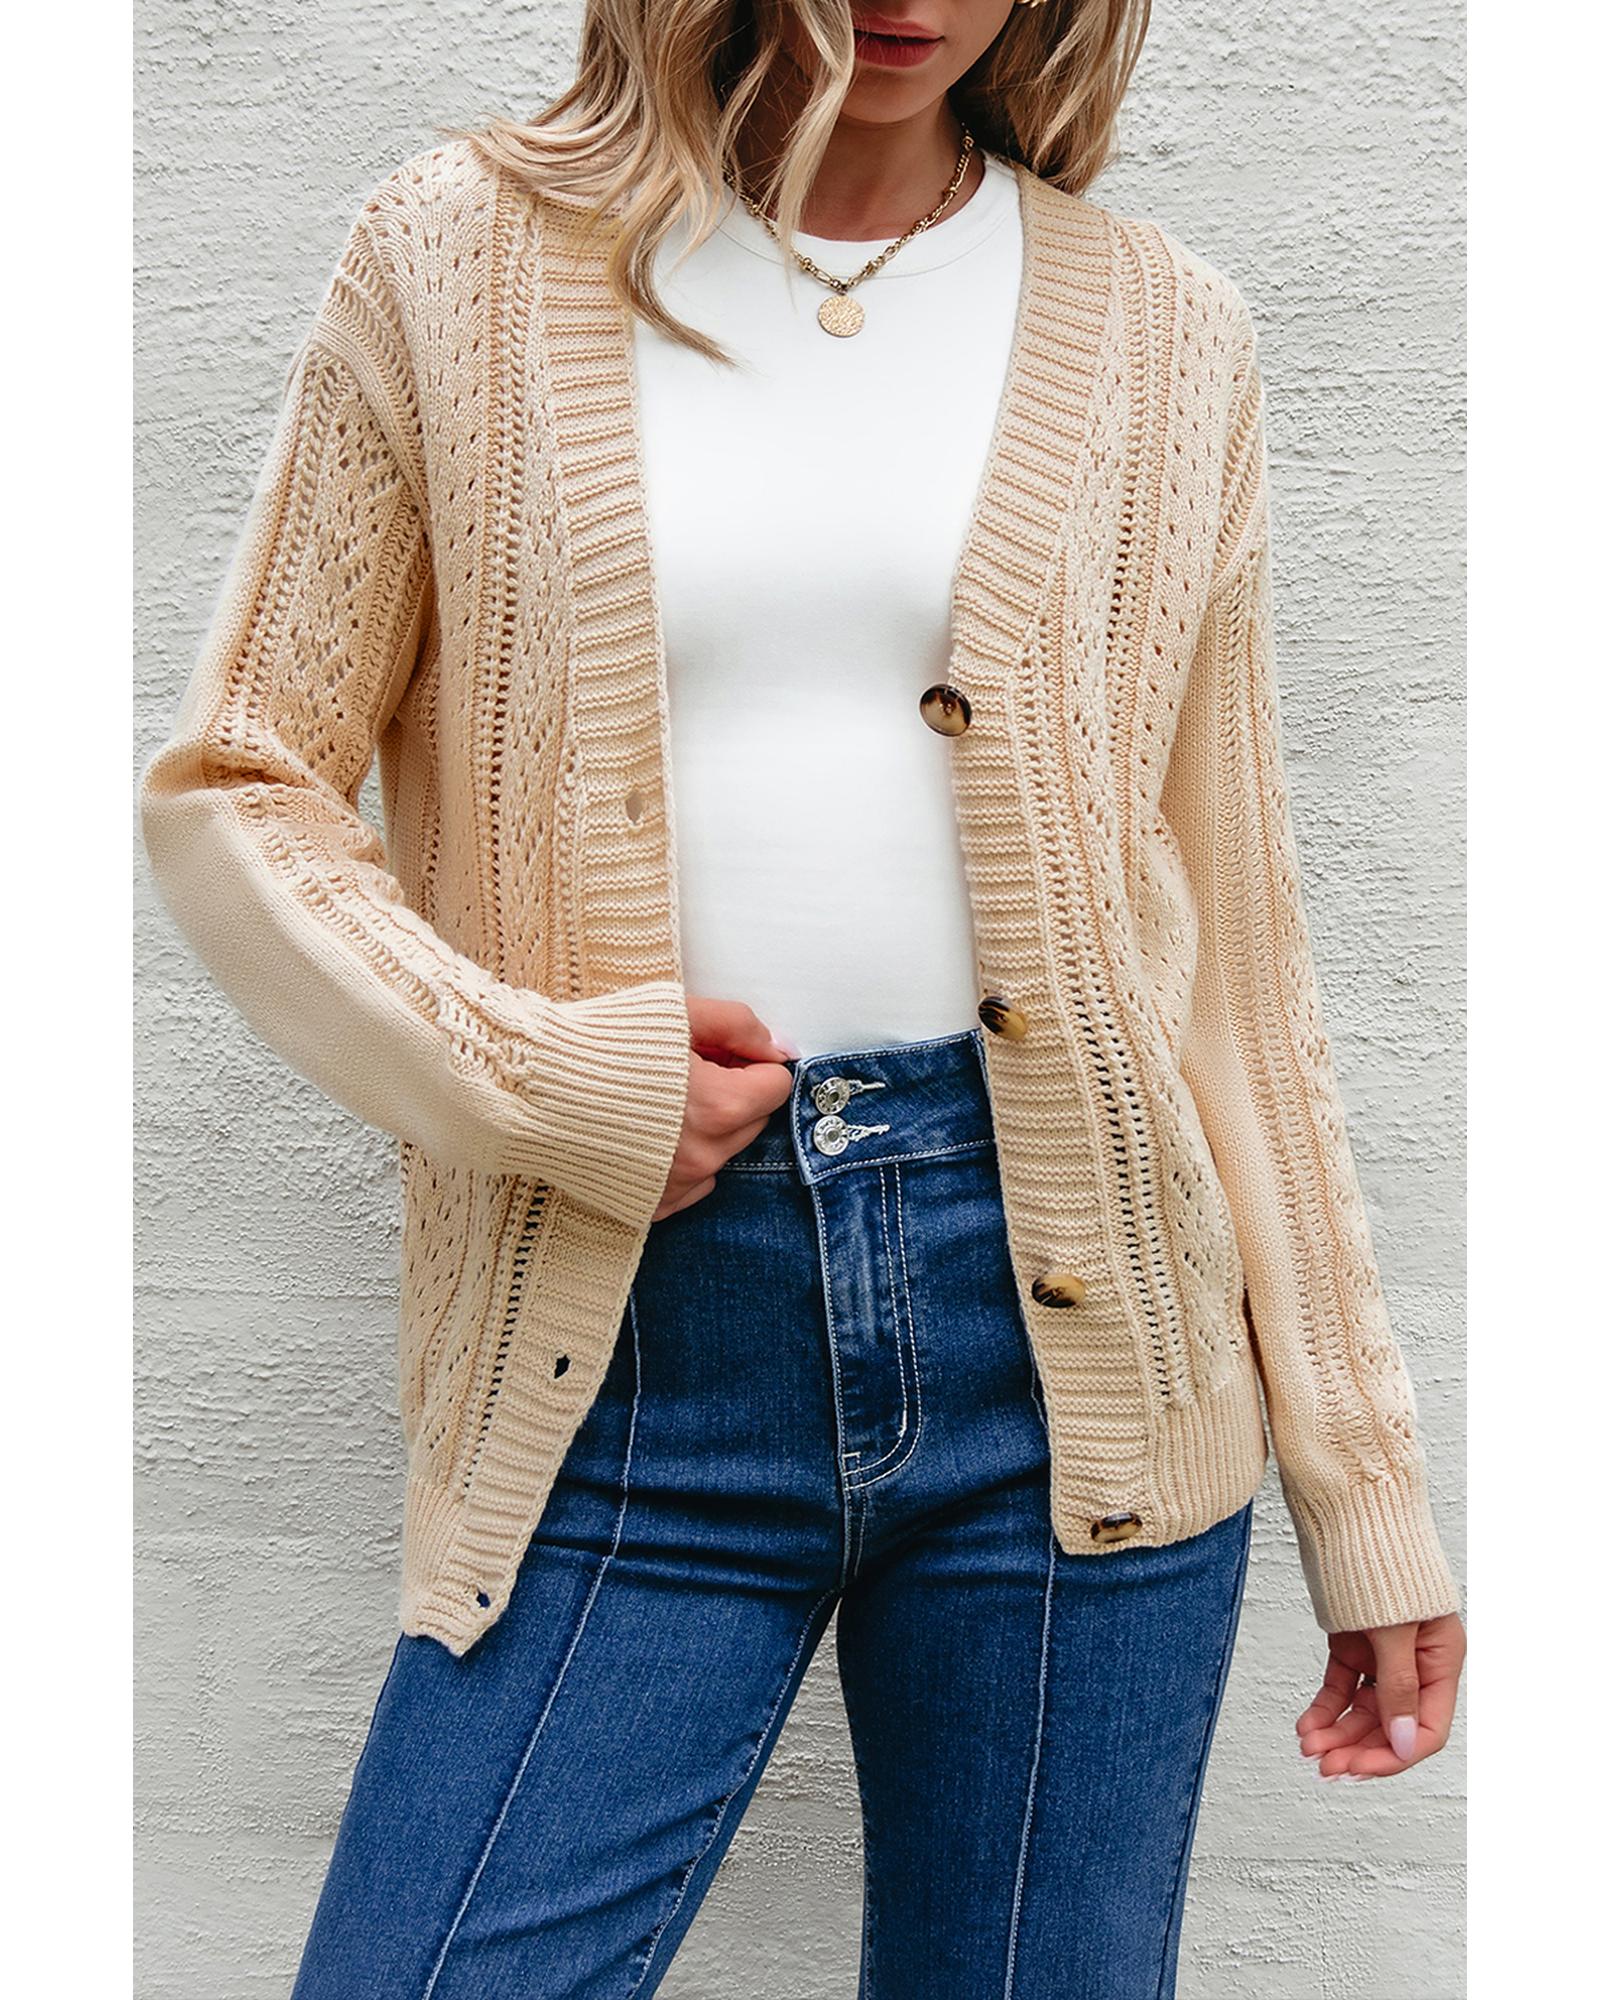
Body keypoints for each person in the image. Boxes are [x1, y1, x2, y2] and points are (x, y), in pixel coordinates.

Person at [138, 3, 1466, 1994]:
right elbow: (239, 782)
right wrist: (538, 1079)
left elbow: (1239, 969)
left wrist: (1364, 1491)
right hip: (631, 1331)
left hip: (1082, 1360)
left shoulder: (1163, 328)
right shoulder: (460, 255)